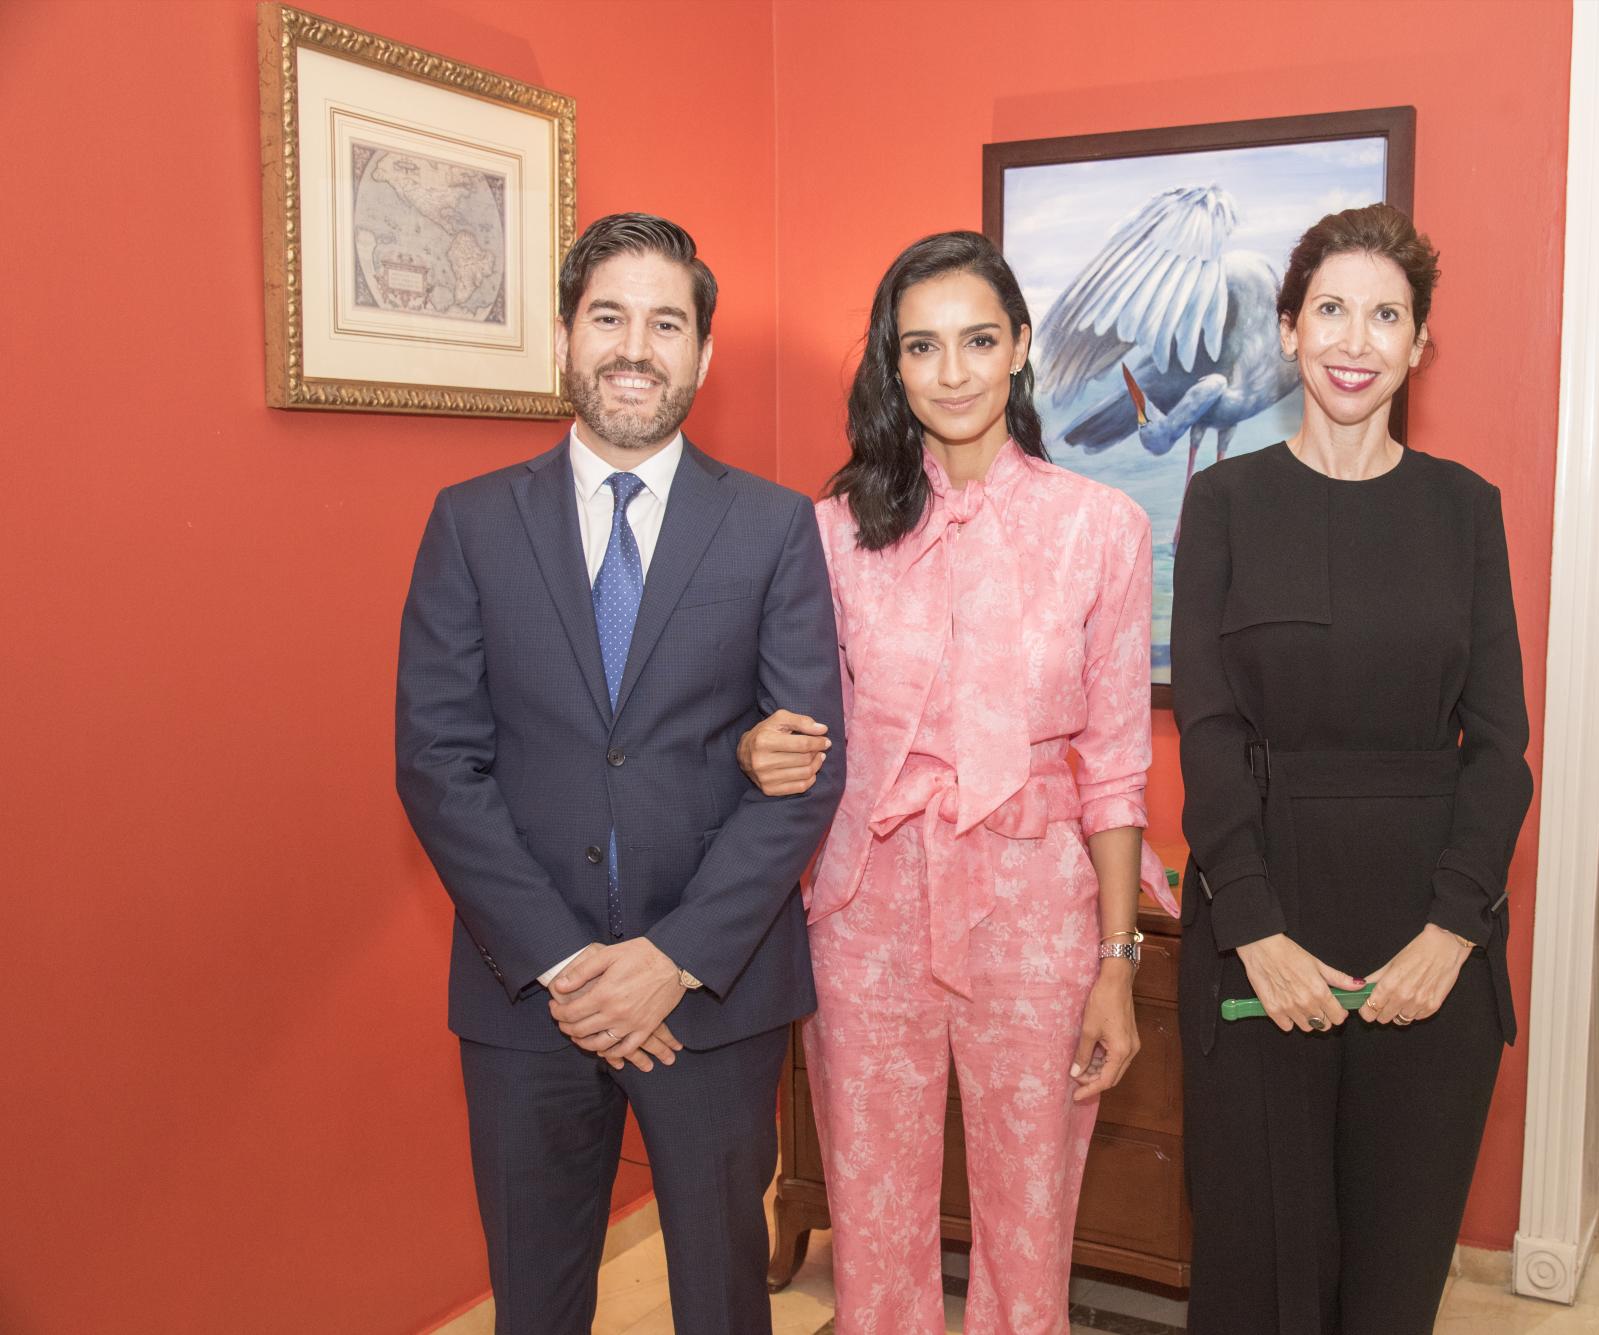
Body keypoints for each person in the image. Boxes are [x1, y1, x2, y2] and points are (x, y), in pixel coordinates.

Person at [395, 213, 845, 1335]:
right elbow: (438, 764)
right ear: (562, 339)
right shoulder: (468, 524)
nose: (634, 348)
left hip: (712, 993)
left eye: (665, 323)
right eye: (608, 318)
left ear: (701, 353)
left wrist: (670, 960)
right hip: (523, 998)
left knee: (719, 1302)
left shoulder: (777, 529)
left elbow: (805, 773)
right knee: (535, 1304)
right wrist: (565, 965)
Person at [734, 230, 1170, 1334]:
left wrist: (1116, 966)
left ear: (1020, 346)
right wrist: (751, 745)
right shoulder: (830, 535)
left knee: (1032, 1213)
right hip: (864, 905)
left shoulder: (1100, 531)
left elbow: (1116, 770)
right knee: (871, 1208)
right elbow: (777, 717)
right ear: (894, 366)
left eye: (978, 340)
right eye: (920, 348)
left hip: (1034, 912)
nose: (954, 371)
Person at [1172, 203, 1533, 1334]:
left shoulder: (1463, 509)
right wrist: (1256, 929)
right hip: (1259, 916)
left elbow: (1501, 746)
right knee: (1252, 1269)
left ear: (1419, 345)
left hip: (1425, 933)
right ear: (1286, 330)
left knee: (1391, 1277)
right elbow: (1210, 732)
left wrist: (1451, 929)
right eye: (1330, 308)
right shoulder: (1223, 501)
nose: (1354, 338)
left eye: (1386, 316)